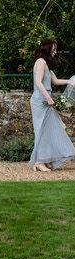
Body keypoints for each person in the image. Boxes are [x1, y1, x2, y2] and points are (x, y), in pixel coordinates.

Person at [29, 38, 75, 172]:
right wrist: (48, 98)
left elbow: (55, 81)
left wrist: (71, 81)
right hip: (40, 101)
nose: (55, 52)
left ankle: (45, 159)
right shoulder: (41, 62)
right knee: (42, 130)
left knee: (49, 130)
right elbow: (38, 82)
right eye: (53, 49)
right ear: (47, 49)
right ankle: (38, 162)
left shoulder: (47, 64)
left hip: (45, 101)